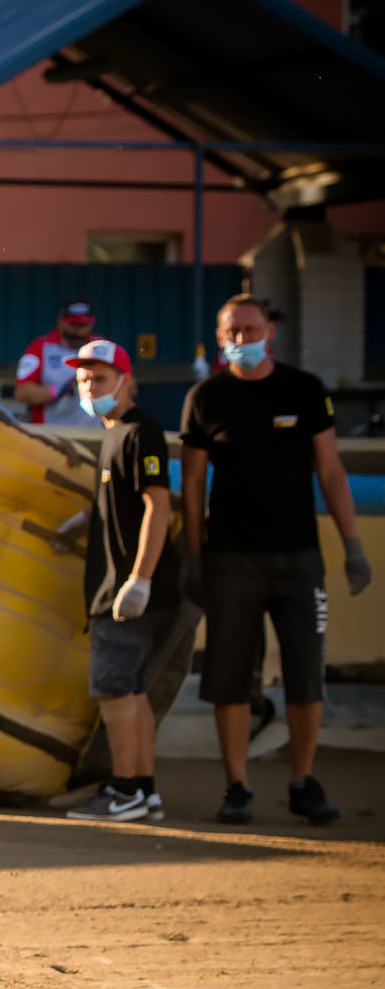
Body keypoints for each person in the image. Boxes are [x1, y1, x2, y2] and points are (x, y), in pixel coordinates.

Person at [180, 294, 369, 825]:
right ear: (220, 338)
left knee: (306, 675)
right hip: (231, 562)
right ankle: (236, 785)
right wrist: (194, 559)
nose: (243, 339)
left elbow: (330, 470)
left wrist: (352, 547)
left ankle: (303, 781)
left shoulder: (304, 390)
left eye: (251, 328)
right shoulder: (206, 396)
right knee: (230, 677)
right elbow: (192, 485)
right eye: (232, 331)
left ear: (271, 332)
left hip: (298, 560)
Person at [57, 341, 178, 822]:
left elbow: (158, 504)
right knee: (132, 690)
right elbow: (124, 499)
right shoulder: (113, 433)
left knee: (112, 687)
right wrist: (86, 519)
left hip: (124, 587)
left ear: (125, 380)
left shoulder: (140, 432)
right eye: (84, 380)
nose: (90, 388)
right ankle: (143, 791)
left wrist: (139, 580)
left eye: (100, 379)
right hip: (116, 582)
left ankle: (124, 789)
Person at [15, 298, 100, 424]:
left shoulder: (102, 348)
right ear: (61, 322)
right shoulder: (41, 347)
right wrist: (59, 390)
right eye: (74, 325)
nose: (79, 331)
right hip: (51, 434)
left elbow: (129, 387)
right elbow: (22, 392)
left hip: (94, 433)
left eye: (83, 325)